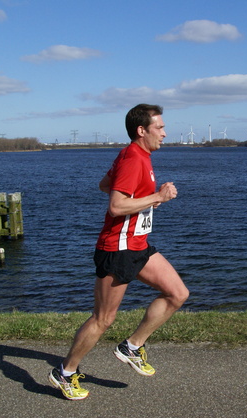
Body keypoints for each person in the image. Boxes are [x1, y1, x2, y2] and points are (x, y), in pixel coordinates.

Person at [49, 104, 189, 400]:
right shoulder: (133, 159)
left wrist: (147, 199)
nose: (165, 133)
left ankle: (132, 347)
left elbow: (105, 185)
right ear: (142, 130)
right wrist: (157, 196)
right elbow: (115, 205)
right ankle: (65, 372)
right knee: (103, 319)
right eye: (159, 128)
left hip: (137, 245)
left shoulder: (137, 155)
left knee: (177, 294)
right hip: (117, 249)